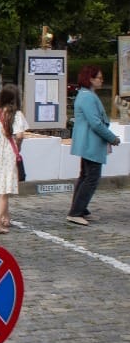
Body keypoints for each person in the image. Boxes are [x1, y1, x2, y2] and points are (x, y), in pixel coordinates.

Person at [67, 65, 119, 227]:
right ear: (90, 79)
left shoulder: (85, 95)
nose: (102, 80)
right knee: (92, 178)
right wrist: (112, 138)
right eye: (99, 78)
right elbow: (96, 123)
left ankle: (80, 209)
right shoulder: (88, 97)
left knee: (85, 176)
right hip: (90, 142)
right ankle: (76, 212)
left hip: (87, 142)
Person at [0, 84, 29, 234]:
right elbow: (19, 135)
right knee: (5, 191)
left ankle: (6, 217)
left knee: (2, 185)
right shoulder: (17, 115)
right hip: (8, 153)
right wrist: (18, 147)